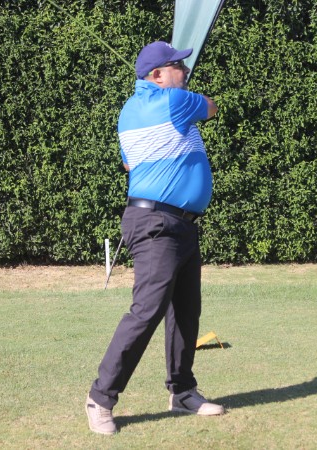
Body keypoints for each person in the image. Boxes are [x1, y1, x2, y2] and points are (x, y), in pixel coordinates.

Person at [85, 41, 224, 435]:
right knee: (147, 310)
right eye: (178, 65)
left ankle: (183, 392)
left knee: (186, 311)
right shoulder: (174, 101)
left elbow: (129, 163)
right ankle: (100, 397)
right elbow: (212, 107)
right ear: (157, 75)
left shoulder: (130, 110)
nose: (186, 70)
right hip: (157, 223)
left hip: (177, 223)